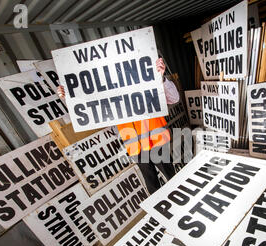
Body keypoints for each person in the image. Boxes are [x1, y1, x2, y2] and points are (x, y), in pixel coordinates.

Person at [58, 58, 179, 194]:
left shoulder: (147, 83)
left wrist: (161, 78)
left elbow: (174, 98)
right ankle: (161, 212)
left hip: (156, 141)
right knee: (152, 186)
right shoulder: (109, 95)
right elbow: (91, 112)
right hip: (135, 145)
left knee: (172, 179)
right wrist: (69, 97)